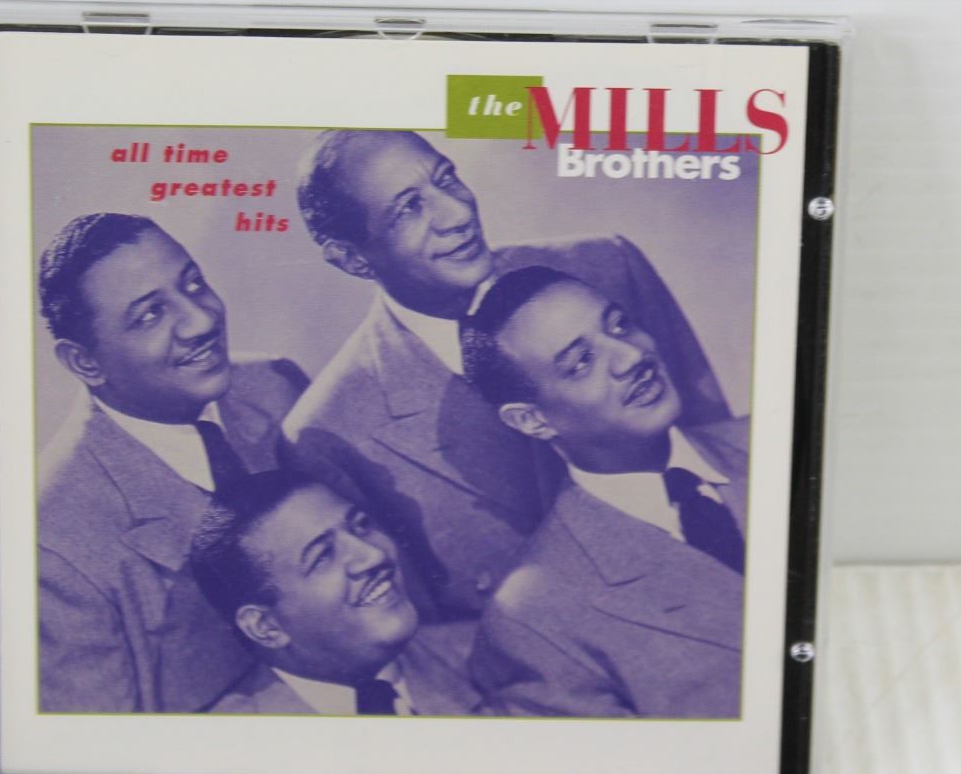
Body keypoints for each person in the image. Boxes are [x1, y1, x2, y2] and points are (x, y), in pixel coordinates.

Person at [283, 130, 728, 621]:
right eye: (409, 208)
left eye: (446, 178)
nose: (457, 214)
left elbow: (719, 451)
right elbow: (423, 636)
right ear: (351, 258)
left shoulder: (605, 266)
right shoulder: (334, 431)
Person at [36, 212, 308, 712]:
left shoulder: (275, 386)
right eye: (150, 315)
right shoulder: (53, 539)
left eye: (194, 284)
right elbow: (97, 746)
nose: (201, 321)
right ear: (84, 362)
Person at [460, 266, 749, 718]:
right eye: (581, 362)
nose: (631, 356)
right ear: (532, 420)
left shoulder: (783, 441)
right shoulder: (534, 616)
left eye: (619, 326)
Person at [190, 470, 481, 716]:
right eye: (323, 556)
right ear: (266, 626)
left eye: (361, 526)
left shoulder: (486, 652)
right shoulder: (227, 744)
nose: (374, 555)